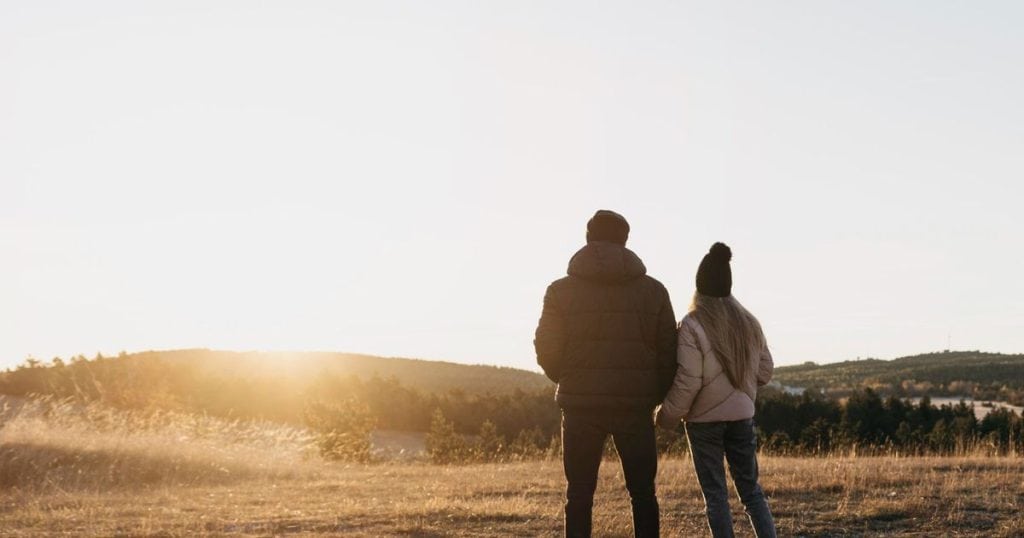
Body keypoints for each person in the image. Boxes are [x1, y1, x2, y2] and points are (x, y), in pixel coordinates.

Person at [535, 210, 678, 538]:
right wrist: (652, 392)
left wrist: (570, 378)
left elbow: (546, 347)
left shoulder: (559, 291)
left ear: (588, 239)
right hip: (635, 405)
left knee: (579, 494)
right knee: (643, 493)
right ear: (625, 241)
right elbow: (669, 351)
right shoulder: (654, 291)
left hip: (580, 405)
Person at [656, 242, 776, 538]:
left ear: (699, 284)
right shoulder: (749, 322)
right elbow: (765, 371)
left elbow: (689, 379)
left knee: (716, 497)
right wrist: (741, 388)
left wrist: (666, 417)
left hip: (703, 424)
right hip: (742, 418)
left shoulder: (691, 324)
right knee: (752, 492)